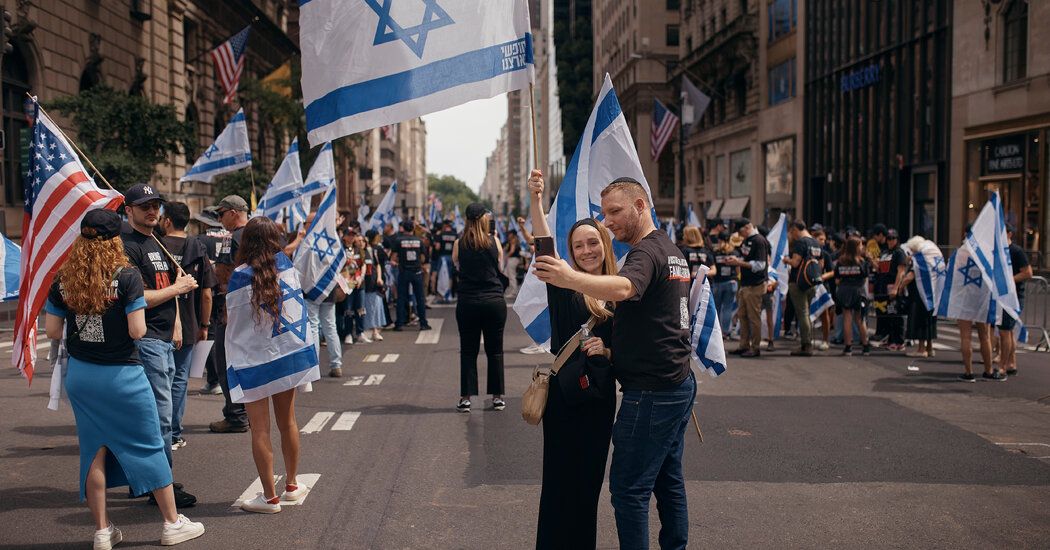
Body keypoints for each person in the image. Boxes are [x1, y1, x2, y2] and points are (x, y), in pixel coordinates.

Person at [534, 177, 695, 549]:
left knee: (629, 491)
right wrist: (536, 200)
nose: (607, 221)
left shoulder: (642, 257)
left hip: (650, 392)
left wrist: (571, 277)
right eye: (604, 214)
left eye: (614, 212)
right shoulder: (669, 250)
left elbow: (625, 289)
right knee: (664, 483)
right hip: (640, 388)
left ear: (641, 206)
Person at [45, 209, 205, 548]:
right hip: (122, 375)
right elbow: (138, 330)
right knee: (149, 446)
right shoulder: (127, 276)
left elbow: (53, 330)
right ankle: (172, 523)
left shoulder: (64, 278)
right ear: (114, 239)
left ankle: (102, 531)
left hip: (82, 376)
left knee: (93, 452)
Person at [526, 170, 616, 549]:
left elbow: (631, 345)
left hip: (600, 401)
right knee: (559, 484)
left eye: (592, 243)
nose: (587, 251)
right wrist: (536, 199)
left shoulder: (620, 289)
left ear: (604, 244)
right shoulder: (563, 285)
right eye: (578, 246)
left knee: (588, 486)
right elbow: (544, 247)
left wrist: (608, 351)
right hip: (564, 400)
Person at [225, 217, 321, 513]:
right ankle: (291, 485)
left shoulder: (239, 277)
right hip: (288, 358)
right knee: (288, 422)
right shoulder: (287, 266)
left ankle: (269, 497)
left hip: (254, 363)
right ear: (275, 240)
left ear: (246, 242)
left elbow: (235, 325)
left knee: (260, 430)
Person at [120, 183, 199, 509]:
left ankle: (149, 481)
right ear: (129, 210)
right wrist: (179, 290)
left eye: (155, 205)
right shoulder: (127, 245)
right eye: (144, 206)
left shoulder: (156, 240)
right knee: (161, 419)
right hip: (148, 339)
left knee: (157, 417)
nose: (152, 211)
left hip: (166, 337)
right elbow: (137, 297)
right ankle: (160, 484)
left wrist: (177, 321)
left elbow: (166, 286)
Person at [159, 202, 217, 452]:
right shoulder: (197, 248)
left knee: (159, 380)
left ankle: (160, 434)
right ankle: (173, 434)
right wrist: (204, 324)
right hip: (191, 323)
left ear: (168, 221)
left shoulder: (154, 245)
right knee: (179, 380)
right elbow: (206, 294)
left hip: (158, 324)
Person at [452, 203, 508, 412]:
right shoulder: (495, 241)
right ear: (484, 220)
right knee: (495, 351)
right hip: (494, 301)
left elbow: (456, 264)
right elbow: (499, 266)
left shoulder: (459, 243)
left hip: (468, 301)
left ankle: (466, 398)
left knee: (468, 350)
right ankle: (497, 397)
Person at [209, 195, 251, 434]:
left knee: (225, 360)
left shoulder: (232, 238)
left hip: (232, 308)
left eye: (221, 213)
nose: (219, 219)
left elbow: (223, 274)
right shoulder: (259, 234)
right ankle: (251, 411)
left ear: (234, 212)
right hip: (255, 309)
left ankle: (235, 415)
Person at [725, 219, 768, 358]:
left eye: (741, 230)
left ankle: (755, 347)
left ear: (748, 227)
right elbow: (745, 257)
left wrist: (739, 263)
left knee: (753, 318)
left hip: (755, 285)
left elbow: (760, 265)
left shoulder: (759, 241)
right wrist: (736, 259)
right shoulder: (747, 240)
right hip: (745, 284)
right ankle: (744, 345)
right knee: (742, 316)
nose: (740, 234)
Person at [824, 236, 871, 356]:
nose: (862, 247)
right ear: (856, 247)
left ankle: (848, 347)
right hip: (858, 291)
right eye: (860, 245)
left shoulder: (841, 261)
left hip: (844, 291)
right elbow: (865, 279)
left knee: (847, 318)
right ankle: (865, 346)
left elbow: (837, 280)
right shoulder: (862, 262)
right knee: (860, 319)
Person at [782, 220, 823, 356]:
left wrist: (786, 260)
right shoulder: (816, 243)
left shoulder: (801, 243)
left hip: (798, 282)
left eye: (791, 232)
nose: (791, 235)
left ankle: (806, 345)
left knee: (803, 313)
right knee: (806, 313)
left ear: (795, 229)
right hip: (811, 281)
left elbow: (795, 263)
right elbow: (821, 264)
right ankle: (807, 342)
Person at [999, 224, 1033, 376]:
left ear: (1009, 234)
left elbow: (1028, 273)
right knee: (1008, 331)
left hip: (1014, 296)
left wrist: (1009, 280)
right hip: (1003, 296)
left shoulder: (1016, 251)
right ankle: (1012, 363)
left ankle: (1003, 366)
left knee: (1005, 331)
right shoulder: (999, 251)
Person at [902, 236, 938, 358]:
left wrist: (900, 286)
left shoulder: (919, 261)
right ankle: (930, 347)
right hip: (932, 295)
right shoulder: (931, 260)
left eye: (912, 250)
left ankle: (921, 349)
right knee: (929, 321)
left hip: (919, 296)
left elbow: (910, 276)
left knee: (920, 321)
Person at [392, 221, 431, 331]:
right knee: (420, 298)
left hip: (404, 271)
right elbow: (423, 257)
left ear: (403, 229)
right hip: (417, 272)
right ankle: (423, 323)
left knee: (401, 298)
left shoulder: (399, 240)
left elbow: (394, 257)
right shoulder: (419, 241)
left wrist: (399, 261)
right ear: (413, 229)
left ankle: (399, 324)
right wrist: (418, 263)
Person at [873, 227, 907, 351]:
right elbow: (879, 268)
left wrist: (896, 288)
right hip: (883, 287)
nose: (890, 241)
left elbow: (901, 271)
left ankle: (898, 341)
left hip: (893, 286)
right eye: (888, 238)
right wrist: (871, 259)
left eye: (893, 238)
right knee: (887, 315)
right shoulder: (885, 252)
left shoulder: (899, 252)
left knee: (895, 314)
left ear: (897, 240)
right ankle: (890, 339)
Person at [710, 232, 739, 336]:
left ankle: (716, 332)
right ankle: (725, 332)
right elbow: (738, 269)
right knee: (728, 308)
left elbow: (712, 267)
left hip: (718, 282)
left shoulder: (715, 252)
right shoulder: (734, 252)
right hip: (731, 282)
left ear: (719, 240)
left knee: (716, 308)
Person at [503, 230, 523, 298]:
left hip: (512, 259)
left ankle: (513, 291)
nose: (508, 235)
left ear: (512, 234)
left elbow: (512, 251)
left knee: (511, 275)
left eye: (509, 234)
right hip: (515, 259)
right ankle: (511, 289)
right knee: (506, 274)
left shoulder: (513, 240)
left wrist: (506, 256)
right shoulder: (516, 240)